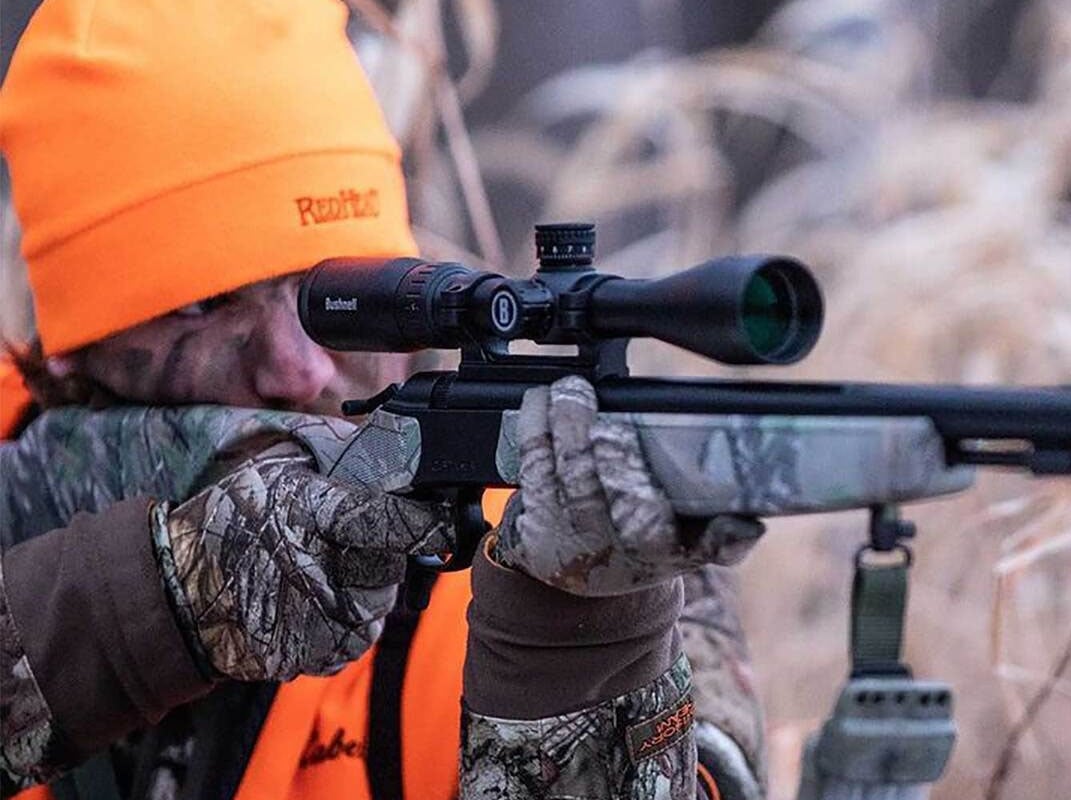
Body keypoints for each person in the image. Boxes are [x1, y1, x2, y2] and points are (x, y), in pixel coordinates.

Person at [0, 1, 767, 799]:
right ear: (74, 345)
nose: (298, 372)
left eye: (335, 296)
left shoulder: (584, 522)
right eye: (202, 306)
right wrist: (164, 600)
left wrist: (580, 647)